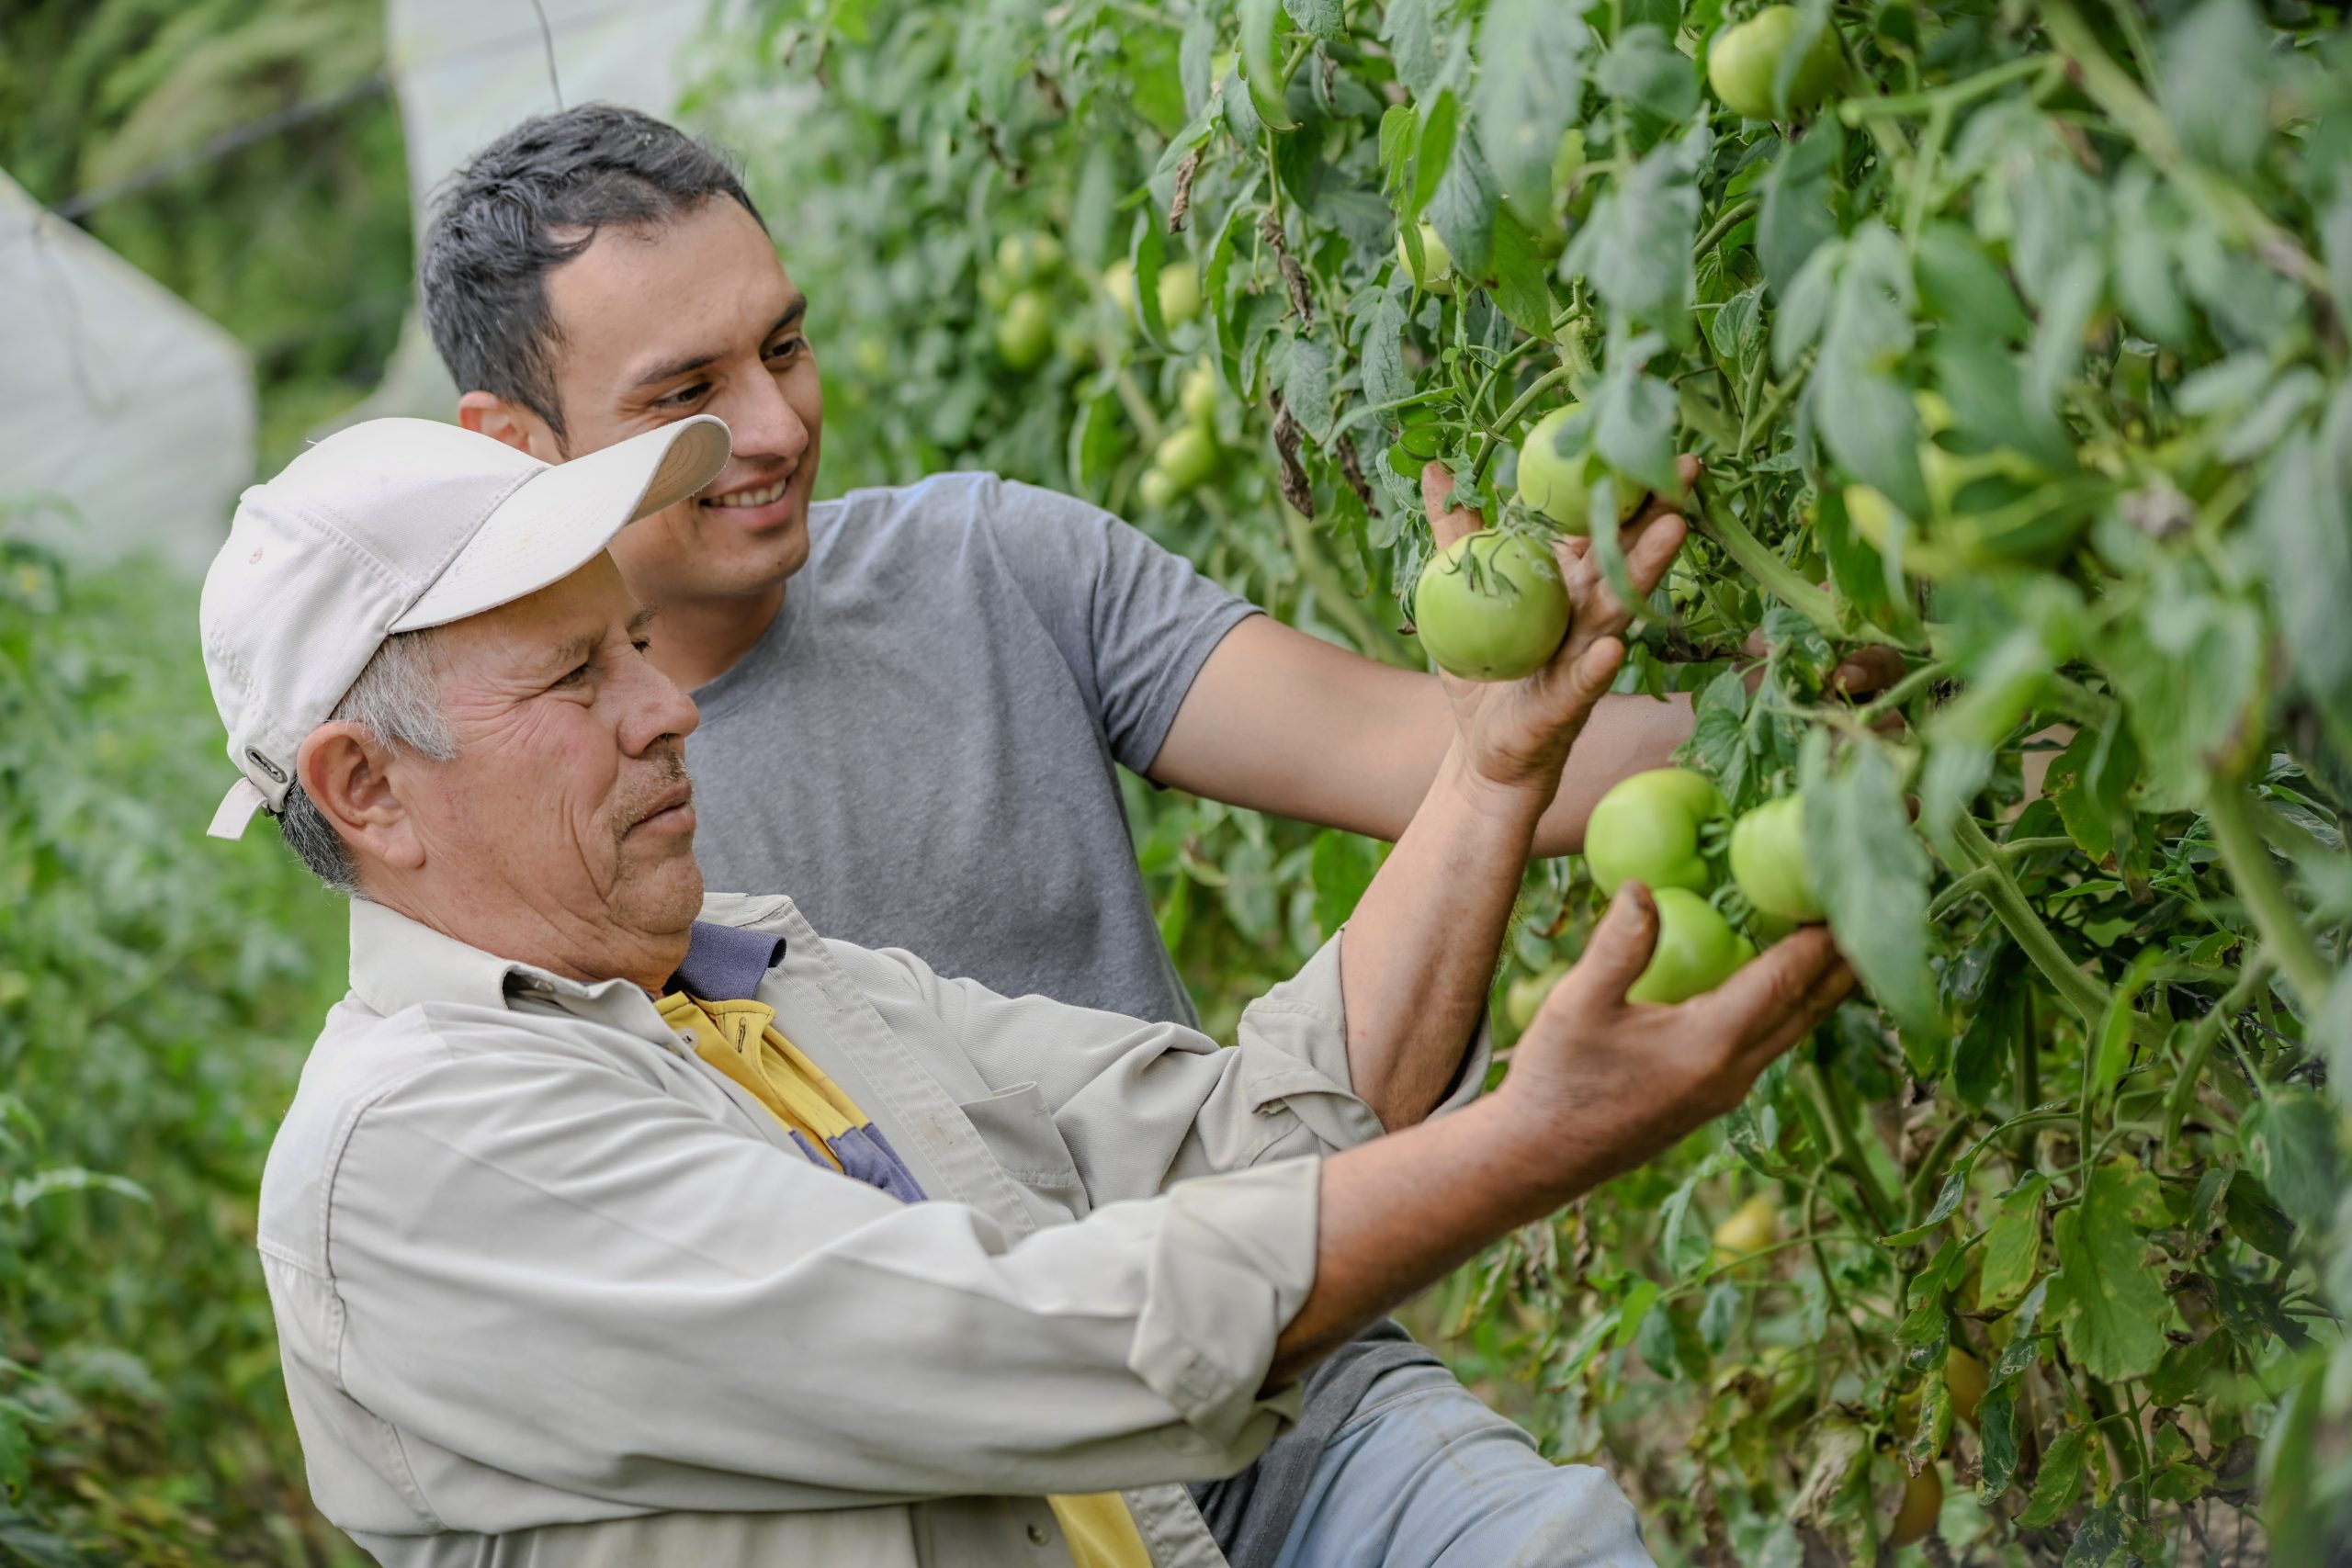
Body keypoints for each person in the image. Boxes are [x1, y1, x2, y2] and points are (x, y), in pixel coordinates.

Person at [411, 104, 1894, 1566]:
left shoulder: (987, 561)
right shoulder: (528, 842)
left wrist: (1856, 757)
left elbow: (1426, 753)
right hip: (971, 1510)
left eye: (785, 347)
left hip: (1284, 1378)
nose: (784, 425)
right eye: (690, 395)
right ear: (510, 443)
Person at [202, 413, 1854, 1566]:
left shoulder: (762, 975)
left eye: (635, 643)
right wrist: (1539, 1140)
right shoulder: (420, 1159)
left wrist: (1495, 771)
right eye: (579, 674)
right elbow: (1026, 1344)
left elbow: (1232, 1134)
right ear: (365, 790)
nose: (669, 709)